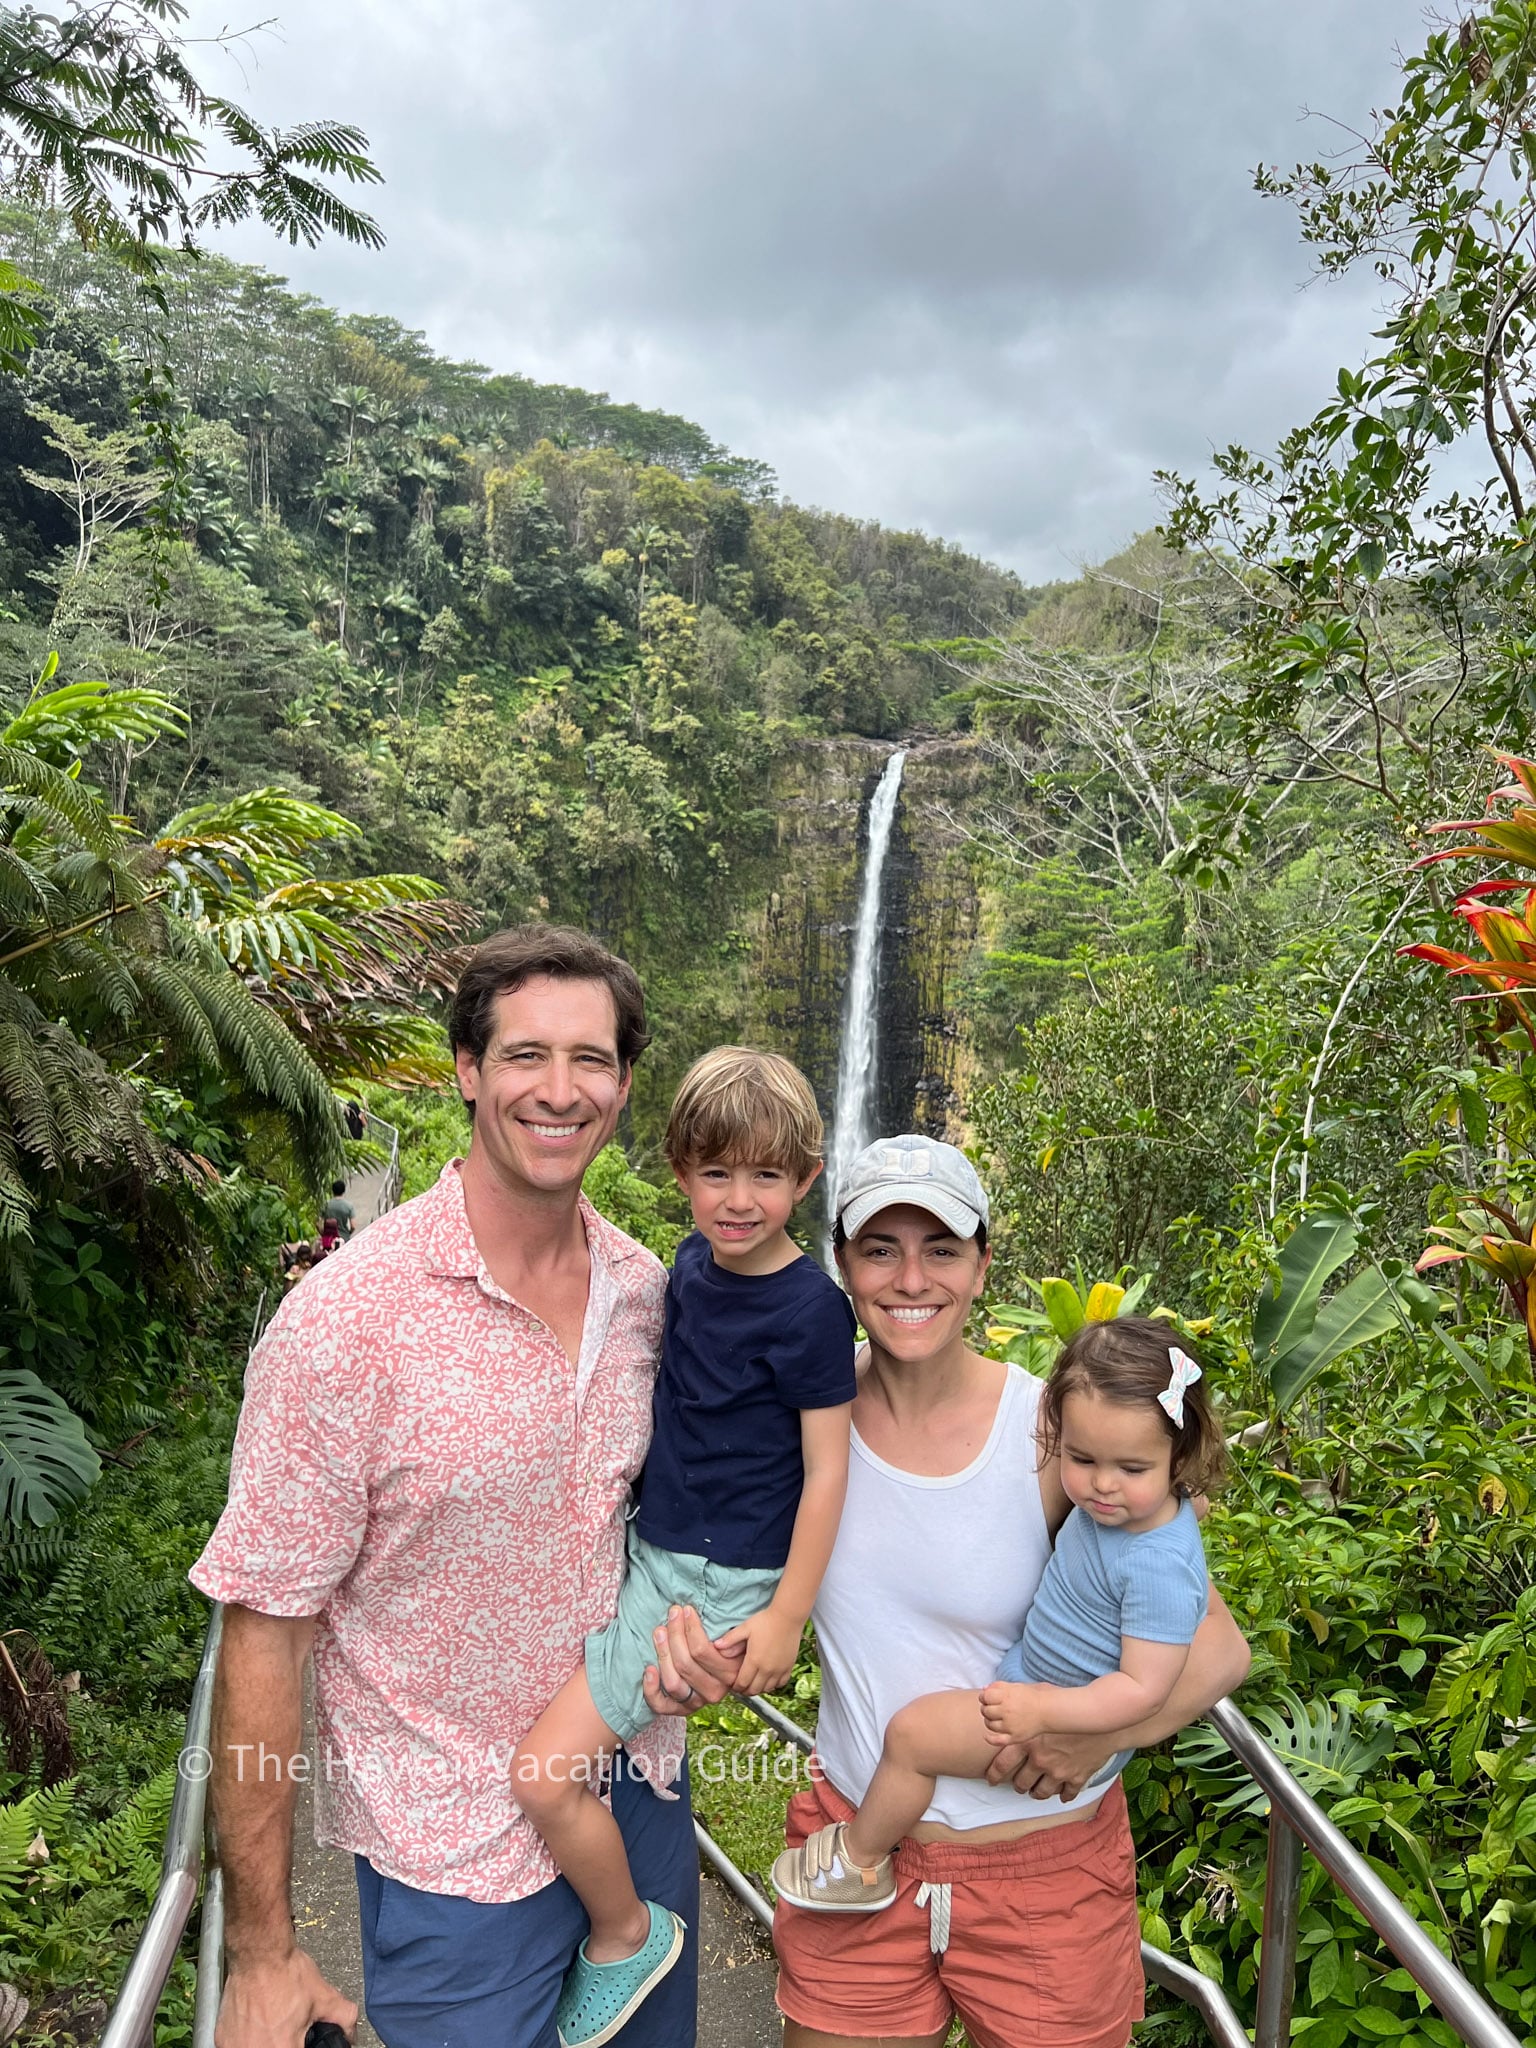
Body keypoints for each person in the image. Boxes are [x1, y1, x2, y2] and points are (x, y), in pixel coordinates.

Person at [191, 925, 705, 2048]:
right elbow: (266, 1629)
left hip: (642, 1804)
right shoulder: (346, 1323)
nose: (560, 1090)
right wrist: (265, 1950)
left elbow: (689, 1513)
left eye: (593, 1059)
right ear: (467, 1070)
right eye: (526, 1055)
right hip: (451, 1857)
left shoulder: (648, 1295)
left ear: (624, 1082)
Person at [637, 1135, 1252, 2048]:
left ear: (983, 1262)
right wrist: (692, 1646)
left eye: (942, 1249)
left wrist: (1105, 1736)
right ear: (840, 1262)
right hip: (853, 1855)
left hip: (1041, 1876)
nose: (909, 1278)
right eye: (880, 1248)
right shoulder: (803, 1420)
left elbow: (1218, 1646)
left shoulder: (1060, 1433)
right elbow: (726, 1567)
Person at [512, 1046, 855, 2046]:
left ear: (806, 1177)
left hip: (715, 1581)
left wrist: (785, 1615)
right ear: (679, 1170)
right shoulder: (690, 1263)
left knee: (543, 1773)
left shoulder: (812, 1309)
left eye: (766, 1175)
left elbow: (828, 1470)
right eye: (716, 1172)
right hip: (659, 1549)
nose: (738, 1199)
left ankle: (626, 1930)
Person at [772, 1315, 1226, 1914]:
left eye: (1132, 1468)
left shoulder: (1158, 1560)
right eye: (1083, 1458)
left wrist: (1058, 1720)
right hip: (1039, 1689)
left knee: (913, 1736)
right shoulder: (1130, 1508)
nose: (1103, 1486)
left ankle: (858, 1861)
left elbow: (1150, 1685)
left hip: (1057, 1714)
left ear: (1178, 1455)